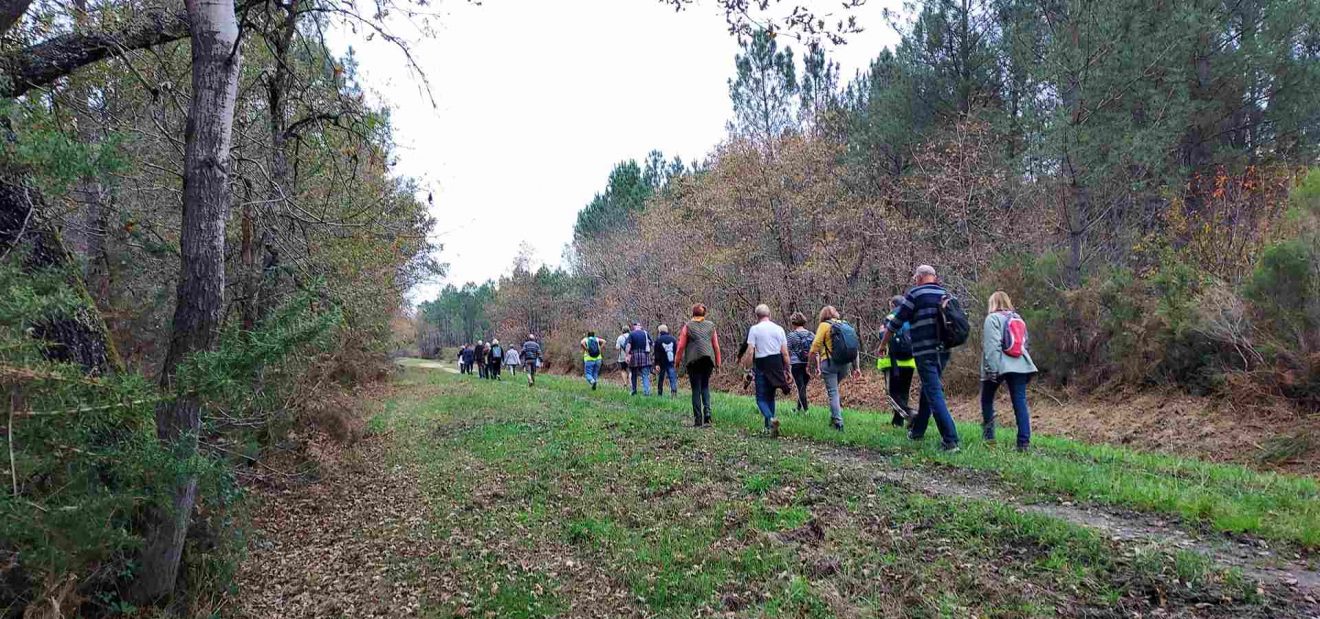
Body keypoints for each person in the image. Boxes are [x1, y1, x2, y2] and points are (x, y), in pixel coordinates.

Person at [879, 265, 961, 452]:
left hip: (925, 352)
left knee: (933, 392)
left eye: (916, 277)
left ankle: (950, 440)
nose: (915, 280)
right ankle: (917, 432)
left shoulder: (916, 294)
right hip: (944, 350)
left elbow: (895, 322)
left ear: (921, 277)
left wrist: (883, 345)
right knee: (927, 390)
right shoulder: (945, 294)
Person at [980, 291, 1038, 452]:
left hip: (999, 365)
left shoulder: (992, 319)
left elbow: (992, 347)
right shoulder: (1017, 318)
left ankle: (989, 439)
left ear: (992, 303)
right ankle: (1023, 443)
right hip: (1020, 365)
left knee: (987, 400)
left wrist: (991, 370)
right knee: (1020, 403)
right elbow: (1024, 344)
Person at [808, 305, 861, 432]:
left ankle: (838, 421)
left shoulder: (824, 325)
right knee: (834, 391)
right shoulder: (845, 325)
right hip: (845, 364)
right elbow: (854, 347)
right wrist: (856, 368)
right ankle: (833, 418)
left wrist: (810, 361)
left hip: (829, 363)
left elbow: (816, 344)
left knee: (833, 392)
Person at [743, 304, 791, 437]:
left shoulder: (754, 329)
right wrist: (788, 369)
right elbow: (785, 353)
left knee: (760, 398)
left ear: (757, 316)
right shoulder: (779, 329)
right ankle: (768, 428)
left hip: (762, 364)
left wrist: (747, 368)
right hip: (776, 364)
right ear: (769, 315)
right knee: (771, 396)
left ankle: (771, 420)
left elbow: (750, 351)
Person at [674, 304, 721, 427]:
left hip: (693, 361)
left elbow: (680, 347)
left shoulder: (688, 326)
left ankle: (698, 419)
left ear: (693, 313)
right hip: (708, 360)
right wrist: (718, 362)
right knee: (705, 386)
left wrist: (677, 362)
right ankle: (708, 414)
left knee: (696, 389)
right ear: (704, 314)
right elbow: (716, 346)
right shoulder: (711, 326)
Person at [878, 296, 917, 427]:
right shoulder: (912, 317)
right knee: (904, 392)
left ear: (892, 305)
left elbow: (883, 336)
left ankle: (909, 414)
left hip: (893, 362)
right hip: (910, 361)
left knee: (892, 394)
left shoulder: (891, 317)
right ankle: (897, 422)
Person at [786, 312, 814, 412]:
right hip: (808, 364)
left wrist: (787, 367)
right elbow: (815, 350)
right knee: (803, 387)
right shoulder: (811, 334)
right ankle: (798, 408)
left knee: (800, 387)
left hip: (796, 364)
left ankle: (806, 410)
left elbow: (787, 352)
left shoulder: (791, 335)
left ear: (793, 323)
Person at [625, 322, 653, 396]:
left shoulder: (631, 334)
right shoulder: (646, 333)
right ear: (640, 326)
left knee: (634, 374)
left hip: (634, 356)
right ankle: (646, 392)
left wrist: (627, 355)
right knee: (645, 375)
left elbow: (628, 345)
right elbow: (651, 343)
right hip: (645, 355)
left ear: (634, 327)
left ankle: (634, 391)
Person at [654, 325, 679, 397]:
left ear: (660, 331)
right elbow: (676, 350)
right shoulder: (673, 339)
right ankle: (674, 391)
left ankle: (660, 393)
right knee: (672, 378)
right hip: (671, 362)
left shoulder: (658, 340)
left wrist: (657, 364)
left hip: (662, 363)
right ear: (667, 330)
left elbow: (656, 353)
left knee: (661, 379)